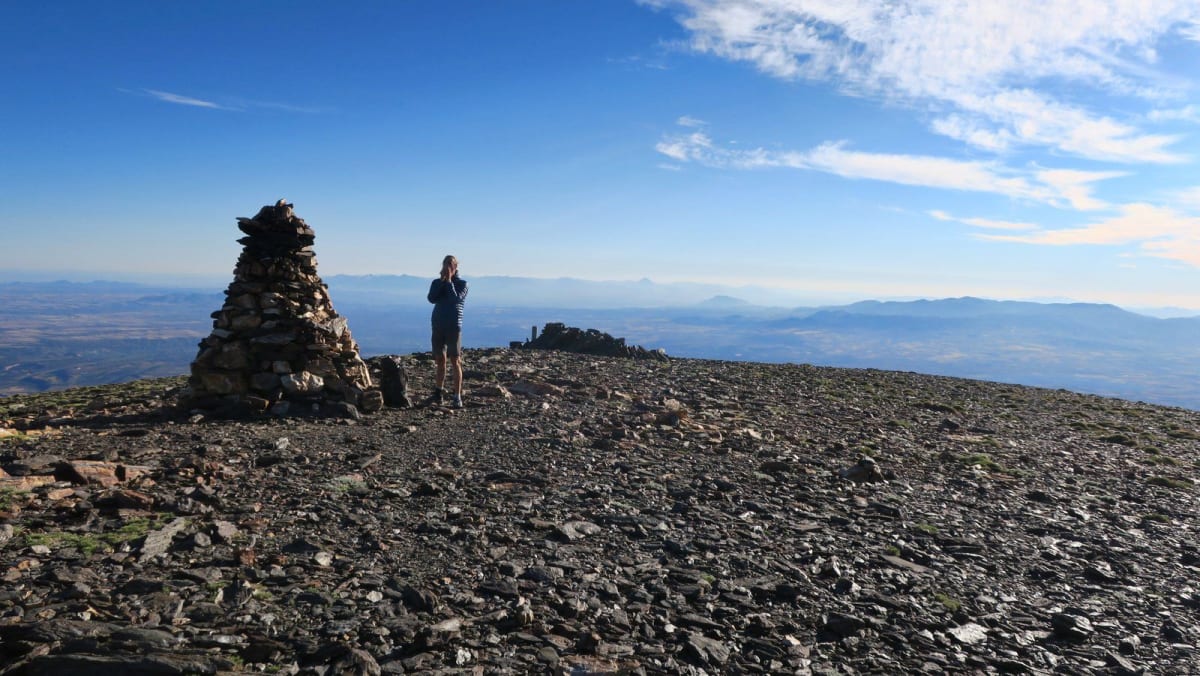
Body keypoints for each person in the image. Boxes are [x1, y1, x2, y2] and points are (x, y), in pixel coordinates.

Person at [427, 255, 468, 407]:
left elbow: (455, 299)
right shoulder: (437, 282)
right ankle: (439, 392)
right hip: (438, 324)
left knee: (455, 360)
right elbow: (431, 298)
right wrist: (442, 282)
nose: (447, 268)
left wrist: (449, 281)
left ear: (456, 267)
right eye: (445, 265)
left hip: (453, 326)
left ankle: (457, 395)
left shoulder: (462, 284)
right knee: (440, 359)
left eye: (450, 265)